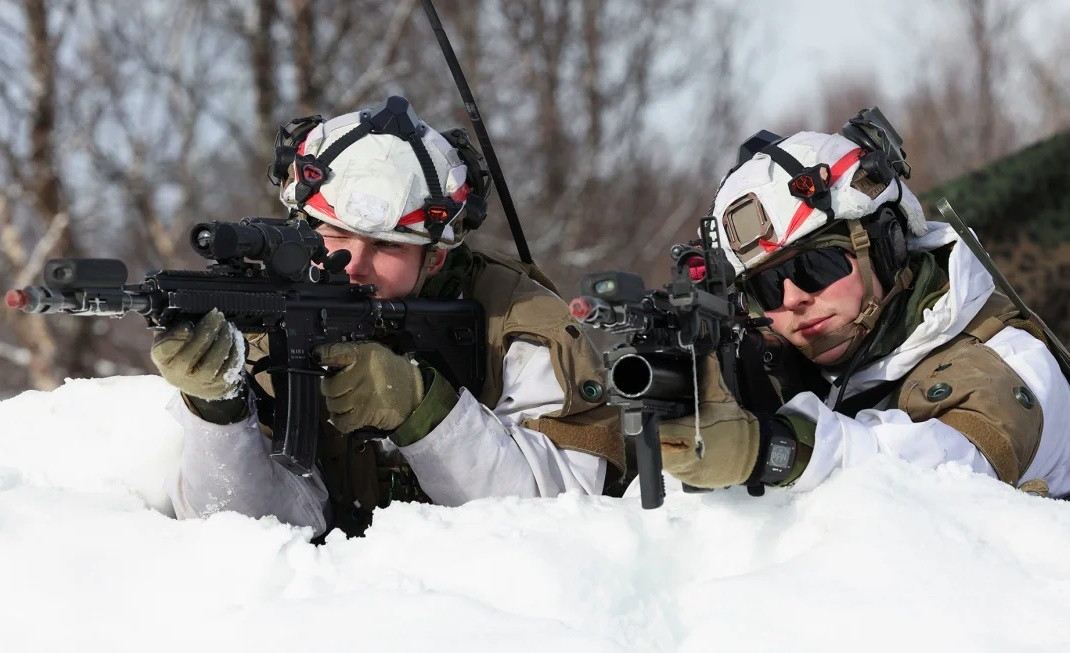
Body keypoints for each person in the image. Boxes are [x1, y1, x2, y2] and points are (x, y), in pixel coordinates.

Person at [151, 96, 624, 538]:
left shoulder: (518, 322)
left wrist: (422, 409)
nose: (354, 265)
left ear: (435, 257)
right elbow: (245, 529)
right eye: (335, 235)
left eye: (386, 245)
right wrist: (220, 412)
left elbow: (561, 516)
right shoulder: (276, 321)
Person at [658, 110, 1070, 497]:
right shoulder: (824, 367)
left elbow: (948, 473)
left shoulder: (1011, 361)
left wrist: (767, 448)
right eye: (766, 287)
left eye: (815, 266)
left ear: (887, 247)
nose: (792, 298)